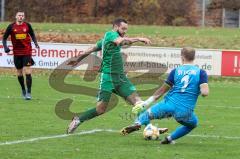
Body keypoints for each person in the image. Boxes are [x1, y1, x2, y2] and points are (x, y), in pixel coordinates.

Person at [66, 18, 168, 135]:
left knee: (139, 103)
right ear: (115, 26)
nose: (124, 31)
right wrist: (139, 39)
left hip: (120, 79)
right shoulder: (110, 35)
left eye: (126, 29)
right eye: (123, 29)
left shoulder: (106, 40)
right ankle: (78, 119)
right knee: (100, 110)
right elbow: (122, 41)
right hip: (108, 79)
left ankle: (149, 127)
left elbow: (91, 48)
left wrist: (77, 59)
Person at [121, 47, 209, 144]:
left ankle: (137, 123)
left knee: (146, 114)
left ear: (182, 57)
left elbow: (162, 90)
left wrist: (145, 103)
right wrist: (199, 90)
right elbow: (205, 93)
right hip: (184, 111)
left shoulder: (175, 71)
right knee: (192, 124)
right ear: (194, 57)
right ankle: (169, 139)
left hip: (168, 105)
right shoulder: (201, 73)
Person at [2, 11, 39, 100]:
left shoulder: (27, 25)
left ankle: (29, 92)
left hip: (27, 52)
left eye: (22, 15)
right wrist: (6, 47)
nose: (21, 17)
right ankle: (23, 89)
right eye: (19, 15)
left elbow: (32, 34)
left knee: (28, 72)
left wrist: (36, 43)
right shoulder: (11, 27)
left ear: (24, 17)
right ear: (16, 16)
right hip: (17, 53)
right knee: (19, 73)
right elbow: (4, 38)